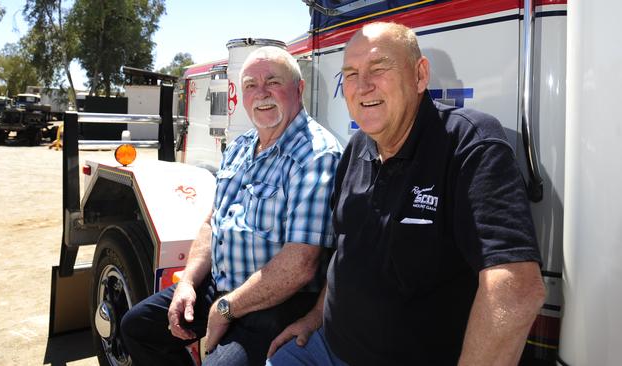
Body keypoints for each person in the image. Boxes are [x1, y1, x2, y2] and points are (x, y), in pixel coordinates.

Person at [267, 22, 546, 366]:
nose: (362, 86)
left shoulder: (469, 143)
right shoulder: (356, 149)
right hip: (325, 346)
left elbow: (517, 288)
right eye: (351, 74)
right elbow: (345, 254)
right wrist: (315, 316)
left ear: (419, 75)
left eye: (379, 68)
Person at [121, 46, 342, 366]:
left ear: (299, 88)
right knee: (138, 327)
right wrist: (187, 283)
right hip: (222, 287)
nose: (261, 93)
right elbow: (213, 223)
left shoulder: (316, 154)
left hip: (277, 302)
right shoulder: (240, 147)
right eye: (251, 85)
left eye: (273, 82)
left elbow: (300, 265)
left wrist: (226, 309)